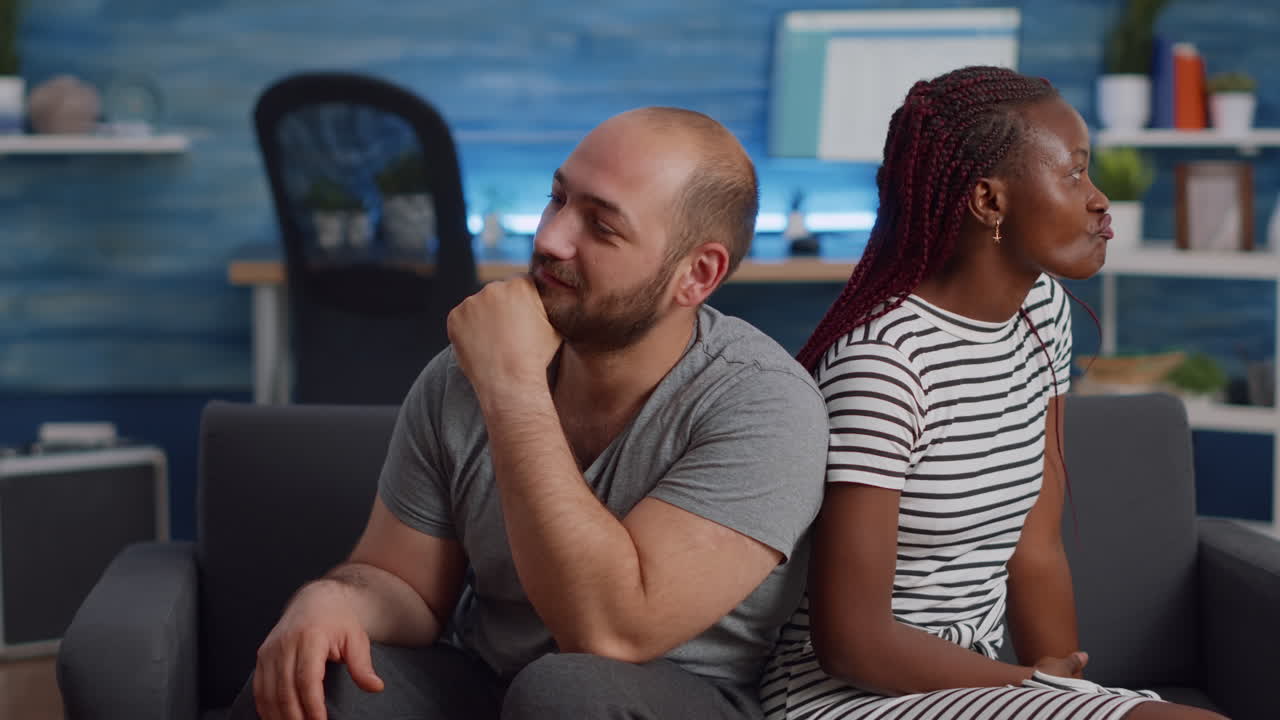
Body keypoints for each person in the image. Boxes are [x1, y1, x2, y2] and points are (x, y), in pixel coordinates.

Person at [229, 106, 829, 720]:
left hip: (663, 695)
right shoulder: (461, 373)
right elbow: (403, 583)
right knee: (314, 684)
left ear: (696, 275)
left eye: (601, 225)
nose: (549, 238)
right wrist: (334, 600)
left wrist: (513, 387)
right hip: (487, 681)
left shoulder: (764, 405)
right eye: (557, 198)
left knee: (569, 692)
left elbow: (611, 634)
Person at [759, 66, 1227, 720]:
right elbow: (853, 644)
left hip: (980, 685)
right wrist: (1043, 691)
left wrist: (1069, 688)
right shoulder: (884, 364)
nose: (1099, 200)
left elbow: (1036, 547)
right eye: (1073, 174)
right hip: (845, 700)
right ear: (988, 202)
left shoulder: (1045, 312)